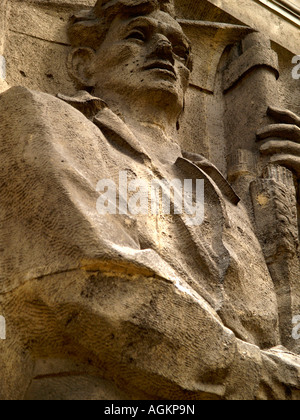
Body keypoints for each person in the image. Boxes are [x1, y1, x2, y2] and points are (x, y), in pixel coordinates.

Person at [0, 0, 300, 400]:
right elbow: (89, 274)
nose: (163, 51)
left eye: (180, 50)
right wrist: (254, 375)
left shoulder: (223, 194)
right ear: (84, 66)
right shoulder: (39, 117)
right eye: (137, 36)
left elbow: (277, 327)